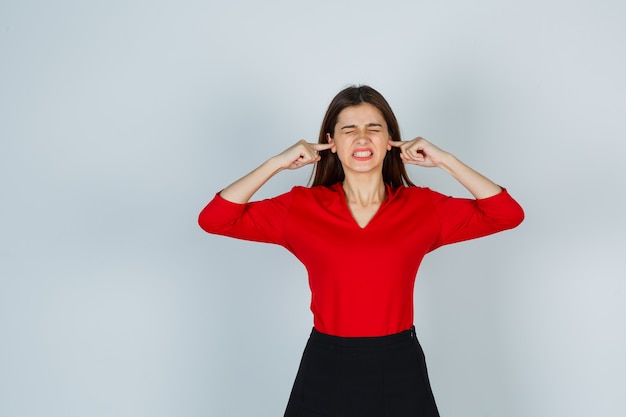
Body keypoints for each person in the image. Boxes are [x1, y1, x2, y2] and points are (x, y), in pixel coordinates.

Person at [198, 85, 524, 417]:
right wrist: (276, 164)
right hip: (326, 363)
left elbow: (506, 214)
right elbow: (216, 219)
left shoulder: (422, 207)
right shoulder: (301, 208)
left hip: (400, 365)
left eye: (374, 128)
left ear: (390, 141)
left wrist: (446, 161)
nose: (362, 138)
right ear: (332, 143)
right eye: (349, 129)